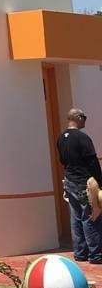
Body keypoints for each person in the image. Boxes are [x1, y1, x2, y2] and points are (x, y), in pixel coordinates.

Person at [57, 107, 102, 263]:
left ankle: (80, 253)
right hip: (84, 182)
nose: (85, 119)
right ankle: (96, 254)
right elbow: (92, 161)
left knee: (75, 217)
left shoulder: (61, 138)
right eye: (84, 117)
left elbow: (62, 160)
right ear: (76, 118)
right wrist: (100, 181)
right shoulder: (83, 138)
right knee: (91, 216)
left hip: (69, 180)